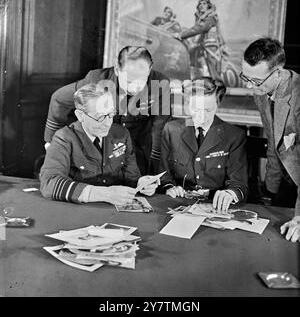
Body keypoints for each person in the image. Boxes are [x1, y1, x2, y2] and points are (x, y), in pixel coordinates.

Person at [44, 46, 171, 175]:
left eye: (141, 81)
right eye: (129, 81)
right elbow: (59, 99)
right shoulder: (97, 80)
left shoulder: (160, 84)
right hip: (97, 149)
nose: (134, 88)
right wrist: (50, 141)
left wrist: (155, 170)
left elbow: (159, 130)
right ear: (117, 70)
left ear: (149, 70)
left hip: (134, 152)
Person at [40, 84, 158, 204]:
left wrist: (141, 183)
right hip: (81, 208)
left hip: (115, 208)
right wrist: (105, 194)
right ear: (80, 115)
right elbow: (49, 183)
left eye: (111, 114)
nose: (107, 123)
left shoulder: (121, 133)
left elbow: (131, 176)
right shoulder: (64, 138)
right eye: (100, 117)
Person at [241, 37, 300, 242]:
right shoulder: (261, 90)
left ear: (278, 73)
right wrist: (270, 190)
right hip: (285, 177)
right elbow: (274, 140)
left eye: (255, 81)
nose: (250, 87)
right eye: (245, 77)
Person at [159, 77, 248, 212]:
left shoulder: (234, 136)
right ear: (187, 104)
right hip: (179, 205)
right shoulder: (171, 130)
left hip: (216, 206)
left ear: (217, 104)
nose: (202, 116)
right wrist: (170, 188)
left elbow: (239, 184)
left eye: (208, 110)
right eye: (196, 109)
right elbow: (164, 174)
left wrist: (230, 194)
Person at [173, 0, 228, 80]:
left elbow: (199, 29)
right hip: (205, 47)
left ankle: (218, 90)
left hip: (212, 49)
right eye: (200, 4)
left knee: (214, 74)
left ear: (208, 6)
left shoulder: (210, 18)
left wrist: (181, 35)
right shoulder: (203, 18)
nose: (201, 5)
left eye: (204, 4)